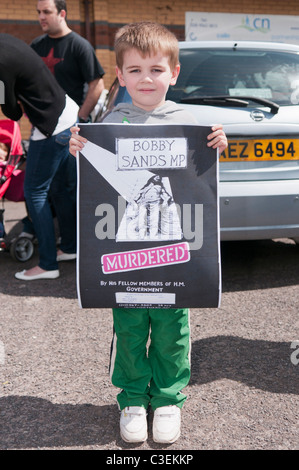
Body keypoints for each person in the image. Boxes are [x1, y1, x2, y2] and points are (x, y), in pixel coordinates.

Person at [69, 22, 227, 444]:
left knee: (173, 326)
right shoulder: (112, 121)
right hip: (129, 252)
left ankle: (170, 400)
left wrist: (217, 145)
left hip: (176, 252)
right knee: (131, 325)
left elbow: (199, 182)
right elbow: (98, 179)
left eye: (156, 69)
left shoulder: (188, 121)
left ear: (173, 73)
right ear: (120, 76)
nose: (146, 79)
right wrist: (79, 151)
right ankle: (134, 399)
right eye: (135, 70)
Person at [0, 33, 78, 280]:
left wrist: (13, 101)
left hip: (51, 126)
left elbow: (10, 111)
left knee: (35, 191)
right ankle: (69, 247)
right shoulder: (6, 40)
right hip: (67, 112)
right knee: (59, 189)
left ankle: (47, 264)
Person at [31, 0, 105, 124]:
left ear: (62, 14)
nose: (41, 17)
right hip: (41, 126)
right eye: (39, 12)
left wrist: (80, 117)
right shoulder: (36, 45)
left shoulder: (79, 46)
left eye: (47, 12)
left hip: (70, 127)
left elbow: (97, 85)